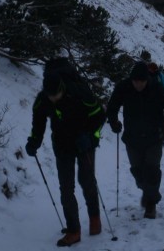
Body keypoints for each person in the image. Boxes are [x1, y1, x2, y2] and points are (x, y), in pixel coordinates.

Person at [26, 58, 106, 247]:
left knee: (86, 180)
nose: (54, 99)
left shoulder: (79, 92)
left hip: (85, 143)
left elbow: (100, 115)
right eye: (50, 96)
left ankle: (94, 217)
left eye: (57, 95)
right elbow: (38, 123)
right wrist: (34, 142)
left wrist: (91, 137)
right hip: (62, 145)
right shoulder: (43, 99)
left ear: (63, 87)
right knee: (66, 188)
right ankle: (73, 230)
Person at [106, 61, 164, 219]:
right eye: (135, 81)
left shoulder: (156, 88)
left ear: (147, 79)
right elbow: (112, 106)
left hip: (154, 137)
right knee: (138, 173)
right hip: (132, 137)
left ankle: (151, 204)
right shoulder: (124, 87)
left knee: (151, 170)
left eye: (142, 81)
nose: (138, 84)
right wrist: (114, 122)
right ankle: (151, 193)